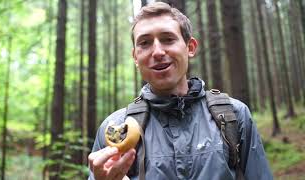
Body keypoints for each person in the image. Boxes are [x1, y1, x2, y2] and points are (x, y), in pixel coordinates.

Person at [88, 2, 273, 180]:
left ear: (190, 47)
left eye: (168, 39)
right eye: (145, 43)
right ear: (136, 57)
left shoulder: (234, 116)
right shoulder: (114, 132)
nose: (157, 52)